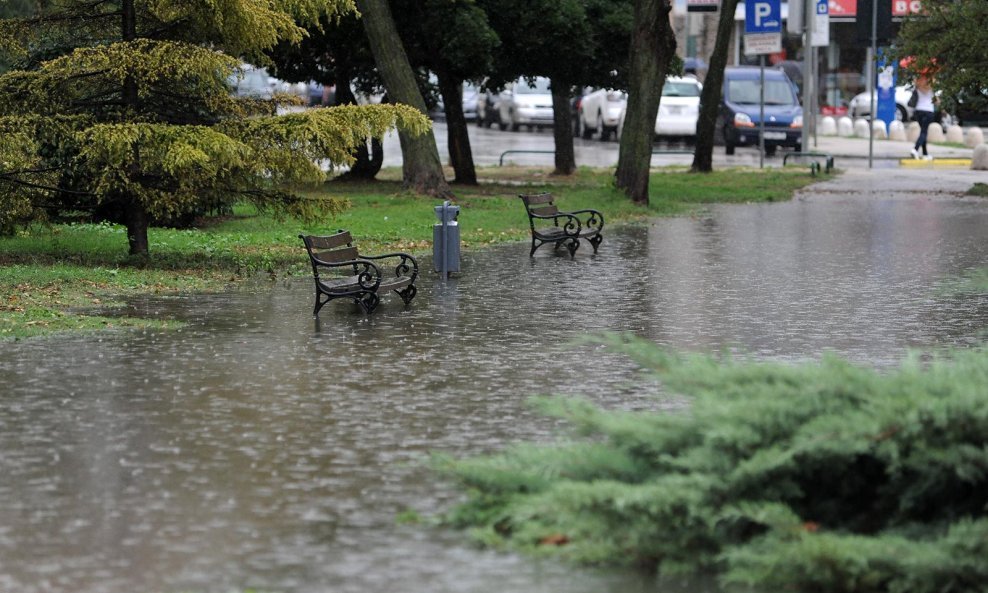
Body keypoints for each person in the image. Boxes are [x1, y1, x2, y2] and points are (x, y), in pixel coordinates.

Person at [909, 75, 937, 160]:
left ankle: (925, 154)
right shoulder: (931, 87)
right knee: (924, 132)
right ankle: (915, 149)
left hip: (918, 111)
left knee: (923, 132)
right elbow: (936, 102)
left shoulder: (918, 84)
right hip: (928, 111)